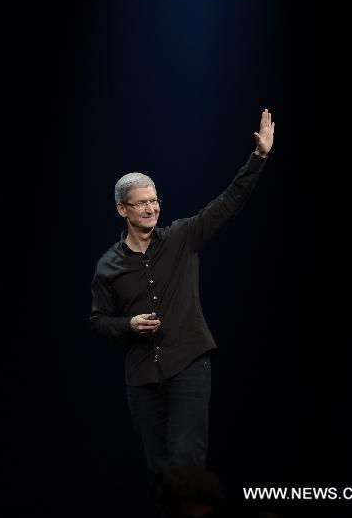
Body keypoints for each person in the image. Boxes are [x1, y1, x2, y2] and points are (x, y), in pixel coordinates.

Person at [89, 109, 275, 508]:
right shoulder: (108, 265)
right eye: (141, 204)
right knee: (161, 474)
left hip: (189, 362)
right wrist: (127, 324)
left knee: (186, 464)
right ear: (122, 209)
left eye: (155, 201)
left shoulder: (182, 237)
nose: (151, 209)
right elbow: (98, 321)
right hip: (142, 379)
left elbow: (228, 203)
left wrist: (258, 157)